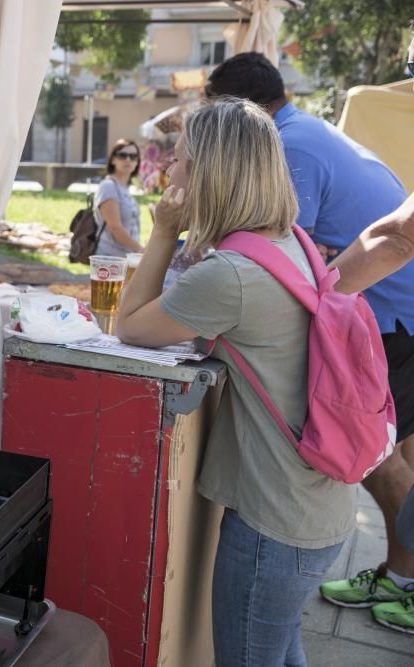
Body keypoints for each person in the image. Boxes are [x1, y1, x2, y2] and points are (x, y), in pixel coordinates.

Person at [117, 99, 351, 666]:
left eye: (180, 160)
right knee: (281, 651)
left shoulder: (232, 275)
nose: (168, 173)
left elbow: (129, 325)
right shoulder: (288, 239)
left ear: (213, 172)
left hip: (275, 521)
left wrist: (164, 233)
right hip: (316, 507)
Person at [206, 51, 414, 634]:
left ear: (237, 113)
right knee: (393, 450)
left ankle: (407, 581)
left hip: (391, 315)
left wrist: (303, 297)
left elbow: (272, 247)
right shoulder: (304, 129)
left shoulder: (286, 146)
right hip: (394, 309)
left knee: (373, 453)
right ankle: (400, 574)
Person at [93, 139, 144, 256]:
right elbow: (115, 227)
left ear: (137, 162)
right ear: (113, 159)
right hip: (109, 259)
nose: (128, 160)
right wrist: (140, 250)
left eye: (133, 156)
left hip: (125, 258)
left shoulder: (125, 188)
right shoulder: (108, 186)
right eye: (122, 155)